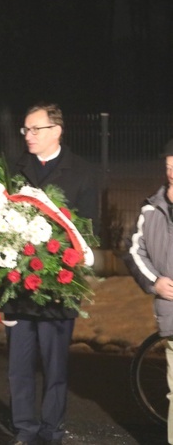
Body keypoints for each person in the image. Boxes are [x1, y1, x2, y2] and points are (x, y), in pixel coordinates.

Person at [5, 102, 99, 445]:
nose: (28, 136)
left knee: (55, 369)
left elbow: (89, 231)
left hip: (58, 288)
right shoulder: (15, 170)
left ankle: (51, 431)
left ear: (56, 131)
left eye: (35, 129)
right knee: (19, 368)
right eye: (25, 130)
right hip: (16, 286)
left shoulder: (82, 172)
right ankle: (25, 430)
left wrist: (58, 259)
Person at [124, 138, 173, 445]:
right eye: (169, 166)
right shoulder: (151, 210)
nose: (172, 173)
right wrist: (155, 282)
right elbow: (133, 252)